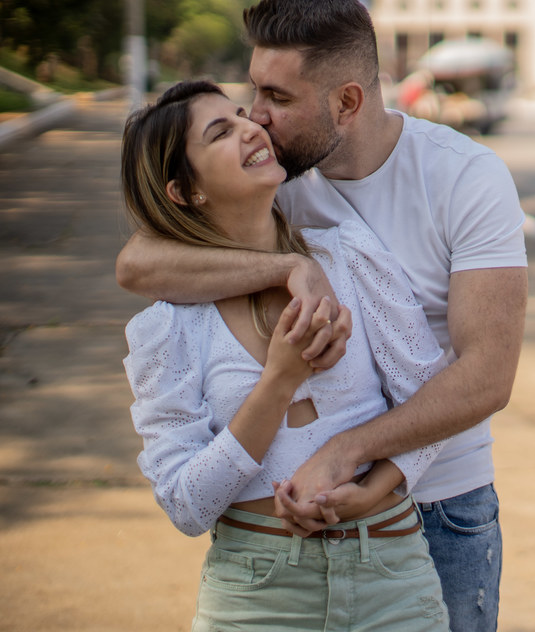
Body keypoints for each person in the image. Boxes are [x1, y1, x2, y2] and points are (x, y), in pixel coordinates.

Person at [115, 0, 528, 632]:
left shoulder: (464, 178)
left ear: (347, 102)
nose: (258, 117)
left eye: (277, 98)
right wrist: (291, 266)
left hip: (442, 501)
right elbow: (138, 262)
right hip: (279, 554)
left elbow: (487, 375)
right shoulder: (274, 178)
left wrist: (355, 458)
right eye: (253, 93)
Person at [120, 80, 451, 630]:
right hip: (258, 594)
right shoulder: (167, 326)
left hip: (392, 575)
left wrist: (372, 490)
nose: (252, 127)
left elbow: (429, 403)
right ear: (184, 191)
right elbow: (186, 505)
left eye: (242, 114)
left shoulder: (349, 254)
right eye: (221, 131)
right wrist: (277, 380)